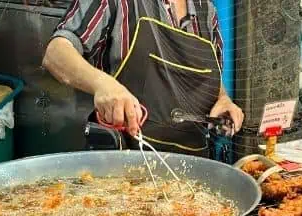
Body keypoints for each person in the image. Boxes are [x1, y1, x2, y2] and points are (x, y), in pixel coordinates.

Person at [42, 0, 244, 154]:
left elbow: (211, 77)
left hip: (192, 172)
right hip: (120, 166)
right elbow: (56, 53)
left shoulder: (208, 12)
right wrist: (103, 84)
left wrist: (223, 100)